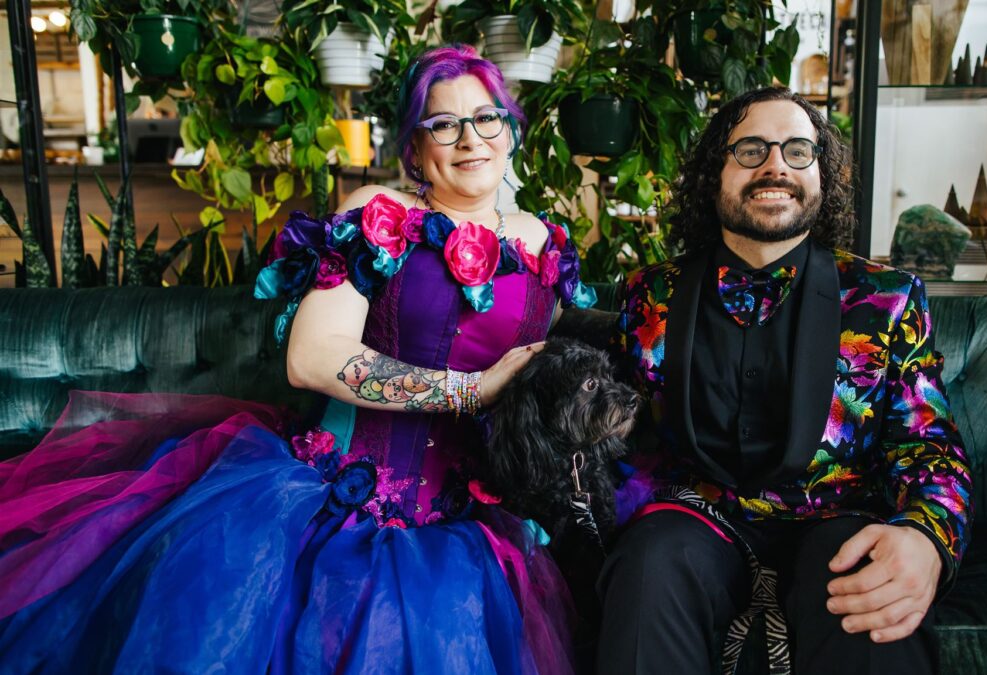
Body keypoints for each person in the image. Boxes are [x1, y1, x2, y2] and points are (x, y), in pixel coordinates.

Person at [0, 45, 594, 674]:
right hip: (332, 506)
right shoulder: (378, 214)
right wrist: (471, 390)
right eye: (443, 123)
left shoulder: (543, 240)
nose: (469, 138)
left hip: (475, 524)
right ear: (415, 149)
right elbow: (311, 358)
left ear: (510, 131)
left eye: (487, 117)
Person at [598, 87, 974, 674]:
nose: (776, 165)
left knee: (869, 596)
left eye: (798, 151)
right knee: (649, 562)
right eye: (750, 149)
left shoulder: (887, 298)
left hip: (838, 523)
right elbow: (616, 435)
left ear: (821, 175)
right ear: (714, 172)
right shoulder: (650, 294)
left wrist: (927, 539)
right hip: (696, 521)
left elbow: (928, 447)